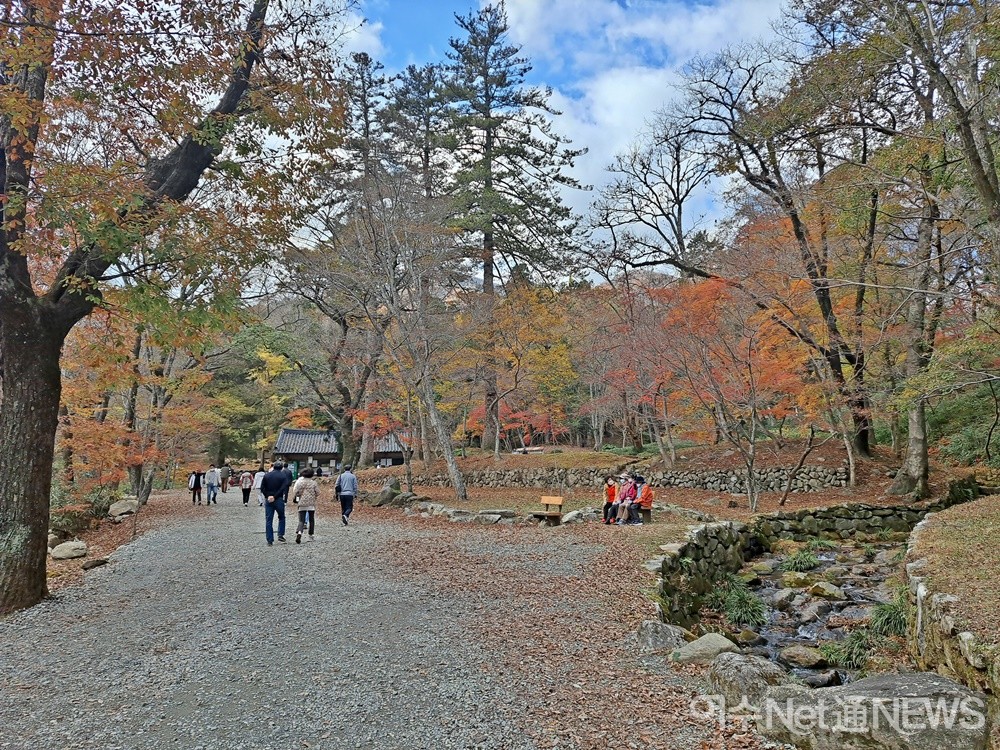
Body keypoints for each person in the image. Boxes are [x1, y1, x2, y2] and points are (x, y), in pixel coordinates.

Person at [260, 462, 291, 546]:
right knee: (281, 517)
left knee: (269, 519)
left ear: (273, 467)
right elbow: (283, 488)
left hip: (268, 499)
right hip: (279, 499)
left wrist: (268, 496)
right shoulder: (283, 476)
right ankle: (280, 534)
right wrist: (275, 496)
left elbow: (262, 487)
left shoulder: (267, 475)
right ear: (281, 468)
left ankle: (269, 539)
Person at [292, 467, 320, 543]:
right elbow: (318, 492)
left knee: (301, 520)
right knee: (311, 520)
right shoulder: (313, 483)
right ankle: (311, 536)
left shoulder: (299, 482)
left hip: (301, 503)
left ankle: (300, 532)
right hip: (311, 503)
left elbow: (295, 491)